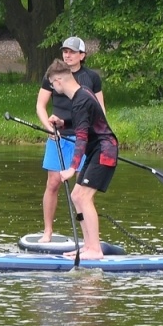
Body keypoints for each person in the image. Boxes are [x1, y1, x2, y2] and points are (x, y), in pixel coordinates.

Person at [45, 60, 119, 260]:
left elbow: (82, 138)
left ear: (58, 81)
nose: (53, 89)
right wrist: (63, 122)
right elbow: (84, 122)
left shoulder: (80, 101)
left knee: (84, 197)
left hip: (104, 151)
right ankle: (88, 246)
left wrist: (71, 168)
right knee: (76, 196)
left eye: (52, 85)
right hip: (97, 151)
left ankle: (95, 250)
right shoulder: (83, 93)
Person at [35, 37, 105, 242]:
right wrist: (50, 128)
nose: (67, 55)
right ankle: (48, 231)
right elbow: (40, 105)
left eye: (72, 52)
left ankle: (89, 239)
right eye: (65, 51)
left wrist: (98, 137)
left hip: (83, 138)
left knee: (81, 189)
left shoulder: (91, 78)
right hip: (59, 137)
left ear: (82, 56)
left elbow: (100, 110)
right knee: (53, 183)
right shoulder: (53, 76)